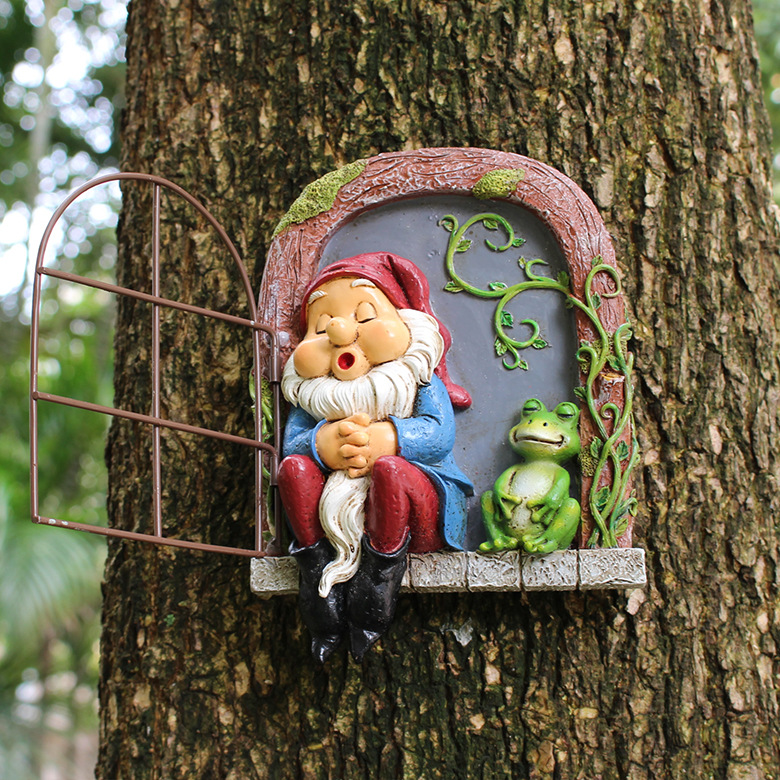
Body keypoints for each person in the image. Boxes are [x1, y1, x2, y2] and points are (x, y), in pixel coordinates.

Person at [278, 252, 473, 661]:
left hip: (412, 513)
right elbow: (293, 444)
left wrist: (390, 437)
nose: (340, 331)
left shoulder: (415, 378)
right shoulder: (314, 397)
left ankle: (379, 579)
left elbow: (438, 434)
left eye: (365, 315)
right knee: (294, 470)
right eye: (321, 326)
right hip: (331, 519)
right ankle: (315, 567)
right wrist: (322, 444)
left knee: (390, 471)